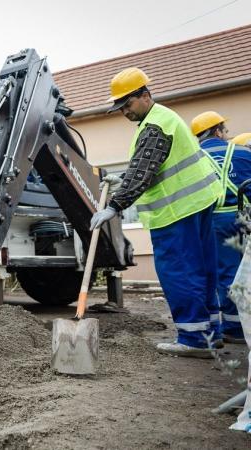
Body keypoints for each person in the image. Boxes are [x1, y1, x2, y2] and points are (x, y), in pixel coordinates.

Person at [92, 67, 223, 357]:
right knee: (202, 269)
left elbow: (143, 171)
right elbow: (150, 165)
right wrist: (123, 178)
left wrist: (115, 206)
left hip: (175, 212)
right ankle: (211, 334)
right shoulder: (164, 118)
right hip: (197, 203)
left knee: (180, 273)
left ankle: (194, 340)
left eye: (127, 104)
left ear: (145, 95)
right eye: (120, 107)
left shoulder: (154, 126)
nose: (124, 111)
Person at [190, 112, 251, 344]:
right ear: (217, 131)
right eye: (225, 130)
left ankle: (235, 327)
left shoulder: (193, 158)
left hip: (215, 220)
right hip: (246, 217)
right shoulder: (244, 152)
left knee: (226, 273)